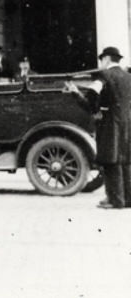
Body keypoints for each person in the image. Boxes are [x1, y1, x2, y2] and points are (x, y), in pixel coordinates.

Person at [65, 46, 131, 209]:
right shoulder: (128, 76)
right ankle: (128, 199)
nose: (100, 63)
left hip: (109, 123)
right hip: (127, 122)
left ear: (107, 59)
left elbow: (93, 93)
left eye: (101, 59)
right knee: (126, 160)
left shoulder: (103, 75)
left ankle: (115, 200)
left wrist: (91, 107)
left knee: (110, 160)